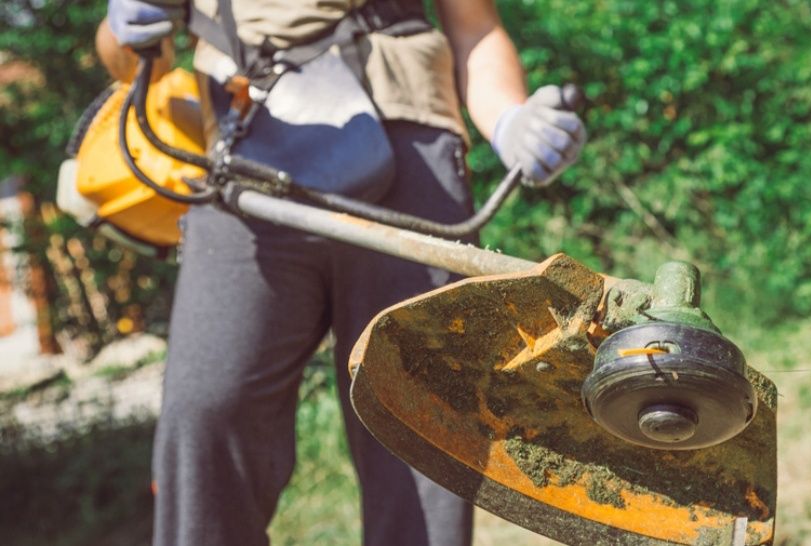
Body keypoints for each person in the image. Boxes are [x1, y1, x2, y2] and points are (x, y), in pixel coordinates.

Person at [96, 0, 586, 544]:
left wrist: (510, 118)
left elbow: (475, 25)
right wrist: (127, 25)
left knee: (419, 418)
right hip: (243, 157)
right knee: (206, 414)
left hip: (412, 142)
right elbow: (129, 61)